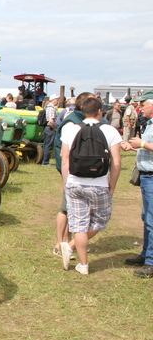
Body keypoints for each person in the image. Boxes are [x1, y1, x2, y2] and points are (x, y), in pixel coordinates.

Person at [59, 96, 122, 274]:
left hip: (74, 182)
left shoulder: (71, 129)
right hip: (99, 183)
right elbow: (116, 163)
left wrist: (66, 183)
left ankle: (83, 264)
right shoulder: (110, 131)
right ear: (100, 112)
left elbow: (65, 159)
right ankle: (71, 247)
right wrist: (112, 185)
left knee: (78, 224)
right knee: (100, 221)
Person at [53, 92, 94, 257]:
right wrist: (66, 177)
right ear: (84, 106)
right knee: (65, 209)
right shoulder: (71, 123)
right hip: (70, 172)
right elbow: (64, 154)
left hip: (79, 171)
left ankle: (70, 241)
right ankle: (59, 243)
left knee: (74, 209)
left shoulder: (82, 121)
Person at [122, 91, 153, 278]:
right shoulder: (149, 124)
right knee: (147, 217)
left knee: (151, 219)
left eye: (143, 104)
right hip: (146, 176)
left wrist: (142, 144)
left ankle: (150, 261)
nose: (139, 108)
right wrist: (134, 146)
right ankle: (146, 254)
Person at [41, 94, 59, 166]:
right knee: (49, 146)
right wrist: (55, 128)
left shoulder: (48, 107)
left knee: (46, 145)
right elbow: (51, 120)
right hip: (50, 128)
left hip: (47, 128)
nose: (58, 101)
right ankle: (45, 162)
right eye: (57, 100)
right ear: (53, 100)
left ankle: (44, 161)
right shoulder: (51, 108)